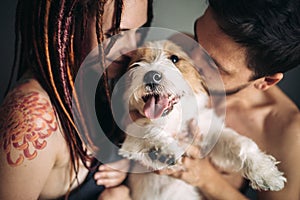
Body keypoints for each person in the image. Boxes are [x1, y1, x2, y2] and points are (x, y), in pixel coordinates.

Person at [0, 0, 153, 199]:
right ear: (69, 25)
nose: (134, 50)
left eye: (139, 31)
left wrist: (130, 165)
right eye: (115, 34)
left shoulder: (102, 82)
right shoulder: (33, 117)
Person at [158, 0, 300, 199]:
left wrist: (206, 178)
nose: (190, 61)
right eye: (196, 38)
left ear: (266, 81)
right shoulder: (179, 47)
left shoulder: (286, 132)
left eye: (213, 65)